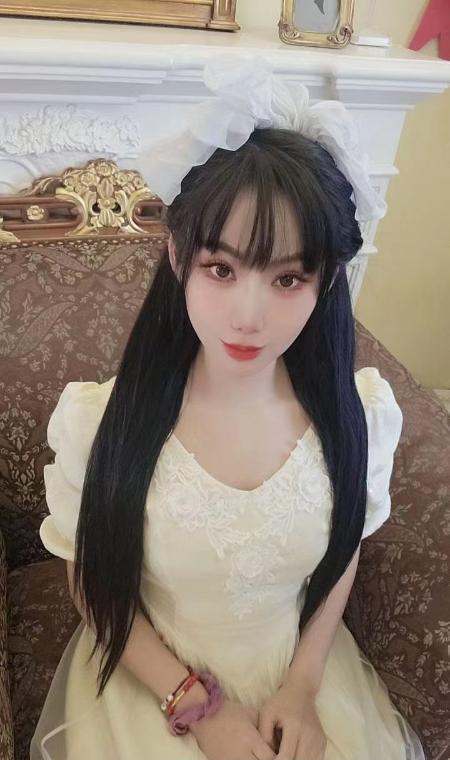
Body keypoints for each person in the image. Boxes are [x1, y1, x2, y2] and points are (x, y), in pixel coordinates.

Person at [30, 54, 426, 760]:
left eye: (287, 279)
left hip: (302, 687)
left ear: (326, 281)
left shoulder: (360, 416)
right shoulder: (100, 423)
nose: (248, 315)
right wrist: (195, 706)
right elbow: (92, 577)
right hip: (154, 687)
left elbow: (343, 553)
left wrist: (303, 685)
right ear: (178, 257)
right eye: (222, 268)